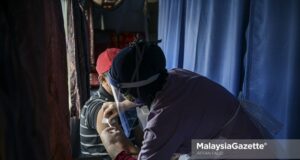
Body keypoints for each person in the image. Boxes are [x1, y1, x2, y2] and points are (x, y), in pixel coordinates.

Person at [98, 40, 270, 160]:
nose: (127, 96)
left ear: (138, 90)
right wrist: (122, 105)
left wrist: (114, 147)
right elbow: (150, 92)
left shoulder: (163, 119)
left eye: (126, 92)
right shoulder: (175, 75)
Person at [79, 48, 142, 159]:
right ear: (103, 79)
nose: (126, 80)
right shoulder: (99, 107)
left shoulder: (126, 102)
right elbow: (123, 150)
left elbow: (141, 139)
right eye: (118, 75)